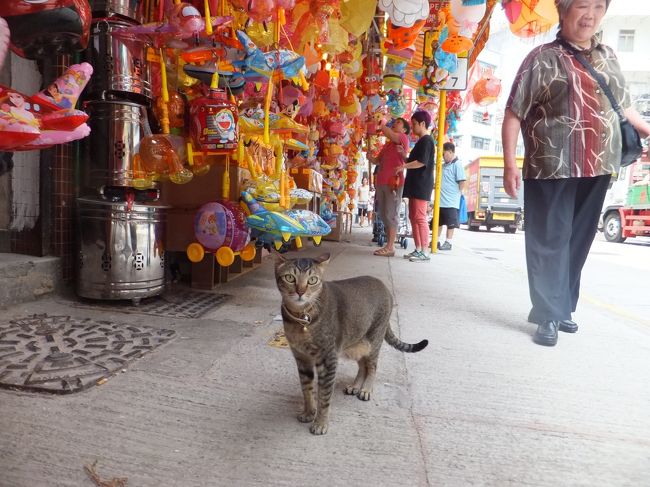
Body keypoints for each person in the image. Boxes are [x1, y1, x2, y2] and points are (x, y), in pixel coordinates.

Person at [502, 0, 650, 347]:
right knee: (549, 239)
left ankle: (561, 307)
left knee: (577, 239)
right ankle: (548, 312)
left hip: (599, 163)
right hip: (552, 163)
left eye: (598, 7)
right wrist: (510, 164)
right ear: (564, 11)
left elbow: (624, 106)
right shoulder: (541, 58)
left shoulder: (608, 56)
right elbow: (514, 113)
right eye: (583, 6)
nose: (590, 15)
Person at [367, 117, 410, 257]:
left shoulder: (402, 138)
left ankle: (390, 247)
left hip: (394, 182)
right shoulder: (387, 145)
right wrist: (370, 157)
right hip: (382, 182)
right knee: (383, 214)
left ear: (404, 129)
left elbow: (390, 134)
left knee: (391, 214)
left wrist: (381, 124)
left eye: (398, 123)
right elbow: (377, 161)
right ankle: (388, 244)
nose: (394, 124)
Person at [398, 111, 436, 262]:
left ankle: (425, 251)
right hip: (416, 184)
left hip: (422, 184)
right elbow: (415, 160)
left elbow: (421, 162)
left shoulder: (427, 140)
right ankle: (419, 248)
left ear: (422, 124)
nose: (412, 127)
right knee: (413, 217)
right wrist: (404, 157)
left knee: (419, 217)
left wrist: (403, 166)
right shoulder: (421, 141)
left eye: (414, 124)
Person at [435, 142, 466, 251]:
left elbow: (462, 182)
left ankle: (448, 242)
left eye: (444, 154)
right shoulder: (443, 165)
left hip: (451, 201)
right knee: (438, 222)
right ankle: (436, 240)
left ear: (451, 152)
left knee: (450, 223)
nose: (443, 156)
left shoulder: (457, 164)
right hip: (440, 200)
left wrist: (457, 194)